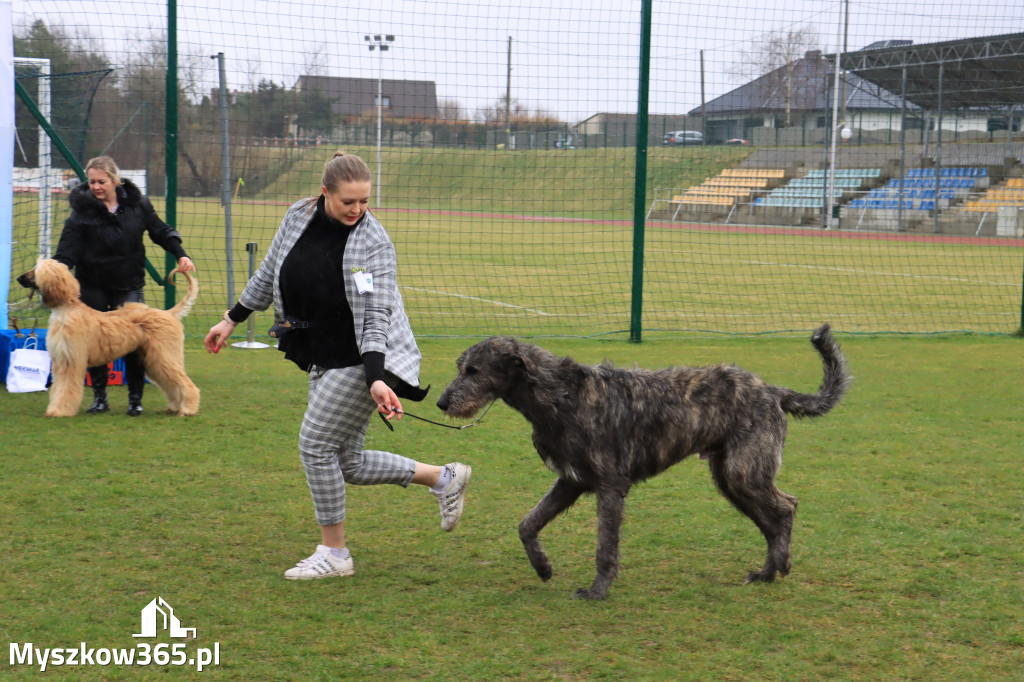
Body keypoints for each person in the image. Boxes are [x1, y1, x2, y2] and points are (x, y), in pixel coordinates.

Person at [204, 151, 471, 580]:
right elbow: (270, 270)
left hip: (365, 357)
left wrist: (377, 377)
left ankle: (335, 554)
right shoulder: (297, 214)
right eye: (349, 201)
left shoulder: (375, 243)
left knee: (314, 445)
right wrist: (231, 318)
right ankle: (444, 478)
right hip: (321, 352)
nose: (357, 210)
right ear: (325, 192)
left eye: (365, 201)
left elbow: (375, 316)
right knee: (348, 462)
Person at [53, 155, 196, 416]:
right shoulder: (81, 213)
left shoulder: (138, 205)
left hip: (128, 283)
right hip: (92, 284)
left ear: (115, 180)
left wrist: (180, 253)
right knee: (93, 343)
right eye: (92, 181)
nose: (96, 187)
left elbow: (160, 231)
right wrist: (55, 271)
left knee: (137, 343)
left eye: (101, 181)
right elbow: (67, 252)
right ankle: (99, 398)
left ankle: (135, 400)